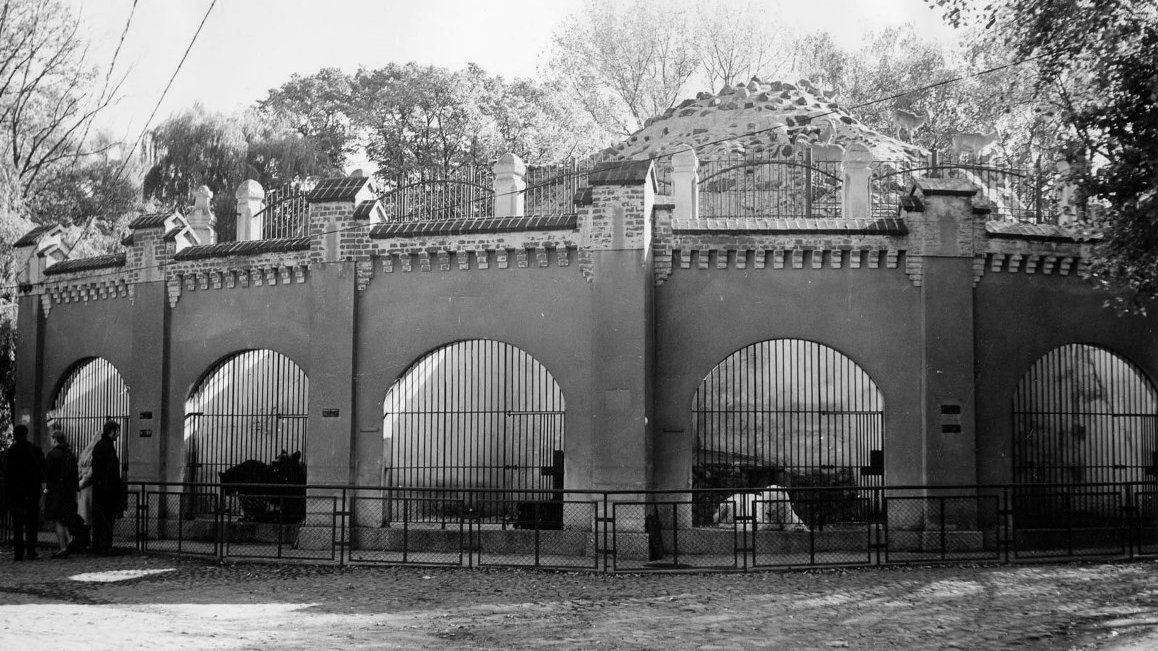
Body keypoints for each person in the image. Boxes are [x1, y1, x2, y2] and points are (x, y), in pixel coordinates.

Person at [4, 424, 45, 561]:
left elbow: (7, 474)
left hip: (15, 493)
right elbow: (42, 470)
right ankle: (31, 550)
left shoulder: (10, 453)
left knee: (17, 524)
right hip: (31, 491)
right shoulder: (34, 450)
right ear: (26, 434)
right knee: (31, 523)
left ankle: (18, 552)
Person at [87, 420, 124, 555]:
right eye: (117, 431)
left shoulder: (102, 446)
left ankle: (98, 547)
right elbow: (106, 470)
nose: (119, 434)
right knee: (106, 520)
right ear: (111, 431)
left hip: (102, 489)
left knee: (100, 521)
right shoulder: (105, 447)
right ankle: (103, 547)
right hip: (107, 491)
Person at [43, 425, 79, 558]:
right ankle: (69, 539)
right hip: (68, 492)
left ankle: (63, 547)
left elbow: (48, 474)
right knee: (64, 518)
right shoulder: (70, 454)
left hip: (56, 491)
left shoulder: (52, 455)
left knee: (58, 520)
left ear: (55, 440)